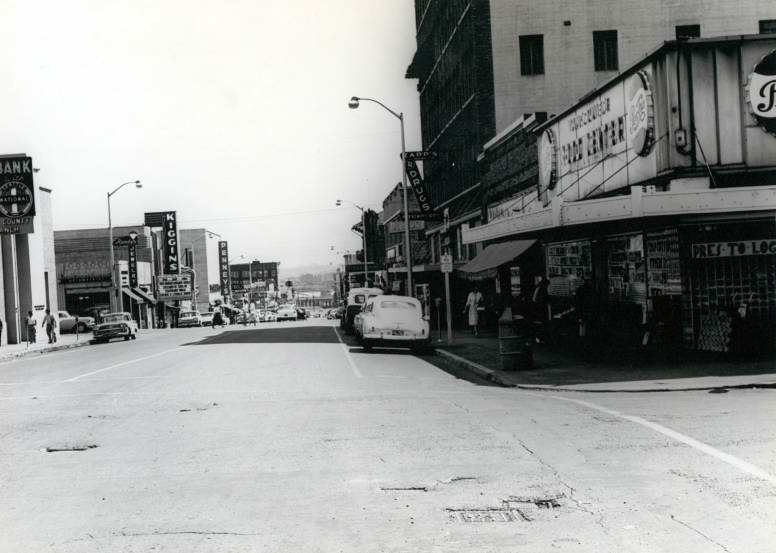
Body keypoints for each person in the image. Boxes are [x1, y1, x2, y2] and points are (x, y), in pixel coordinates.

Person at [532, 277, 551, 343]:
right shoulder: (543, 289)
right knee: (543, 325)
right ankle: (541, 339)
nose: (547, 286)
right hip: (541, 310)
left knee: (539, 324)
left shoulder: (537, 288)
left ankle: (538, 339)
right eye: (547, 285)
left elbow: (534, 299)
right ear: (544, 284)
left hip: (537, 309)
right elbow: (545, 299)